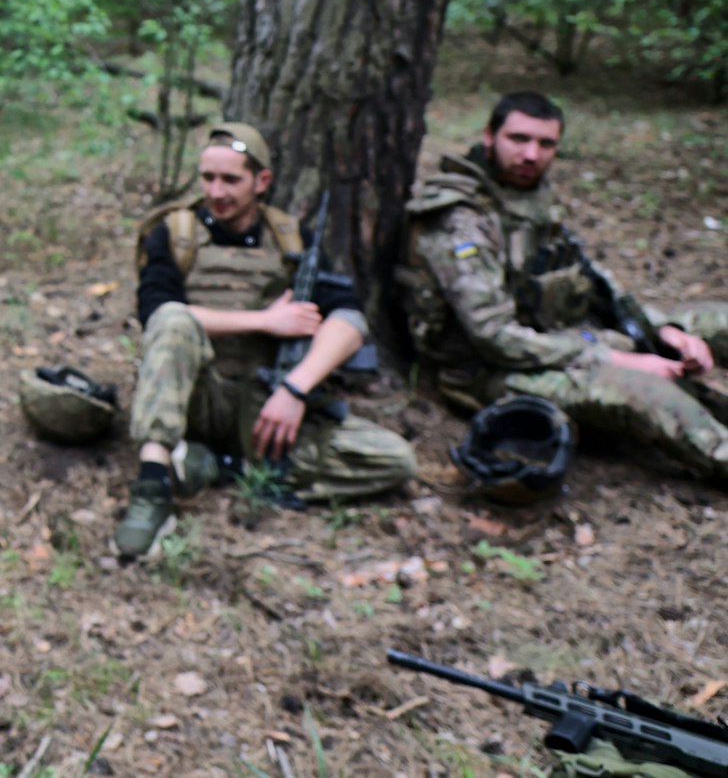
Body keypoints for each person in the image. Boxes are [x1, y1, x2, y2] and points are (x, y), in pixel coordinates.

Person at [113, 123, 417, 560]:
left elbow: (349, 320)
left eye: (230, 180)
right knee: (176, 321)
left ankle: (216, 467)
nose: (216, 192)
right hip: (197, 395)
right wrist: (265, 321)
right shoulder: (177, 234)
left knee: (395, 461)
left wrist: (296, 389)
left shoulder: (291, 241)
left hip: (265, 408)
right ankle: (153, 483)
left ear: (262, 182)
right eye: (207, 178)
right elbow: (158, 314)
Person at [399, 90, 728, 483]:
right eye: (518, 139)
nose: (531, 155)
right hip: (490, 368)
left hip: (561, 335)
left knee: (716, 322)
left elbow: (590, 278)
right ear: (490, 136)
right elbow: (494, 337)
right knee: (649, 392)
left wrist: (663, 331)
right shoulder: (459, 218)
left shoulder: (530, 196)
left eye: (545, 143)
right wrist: (609, 358)